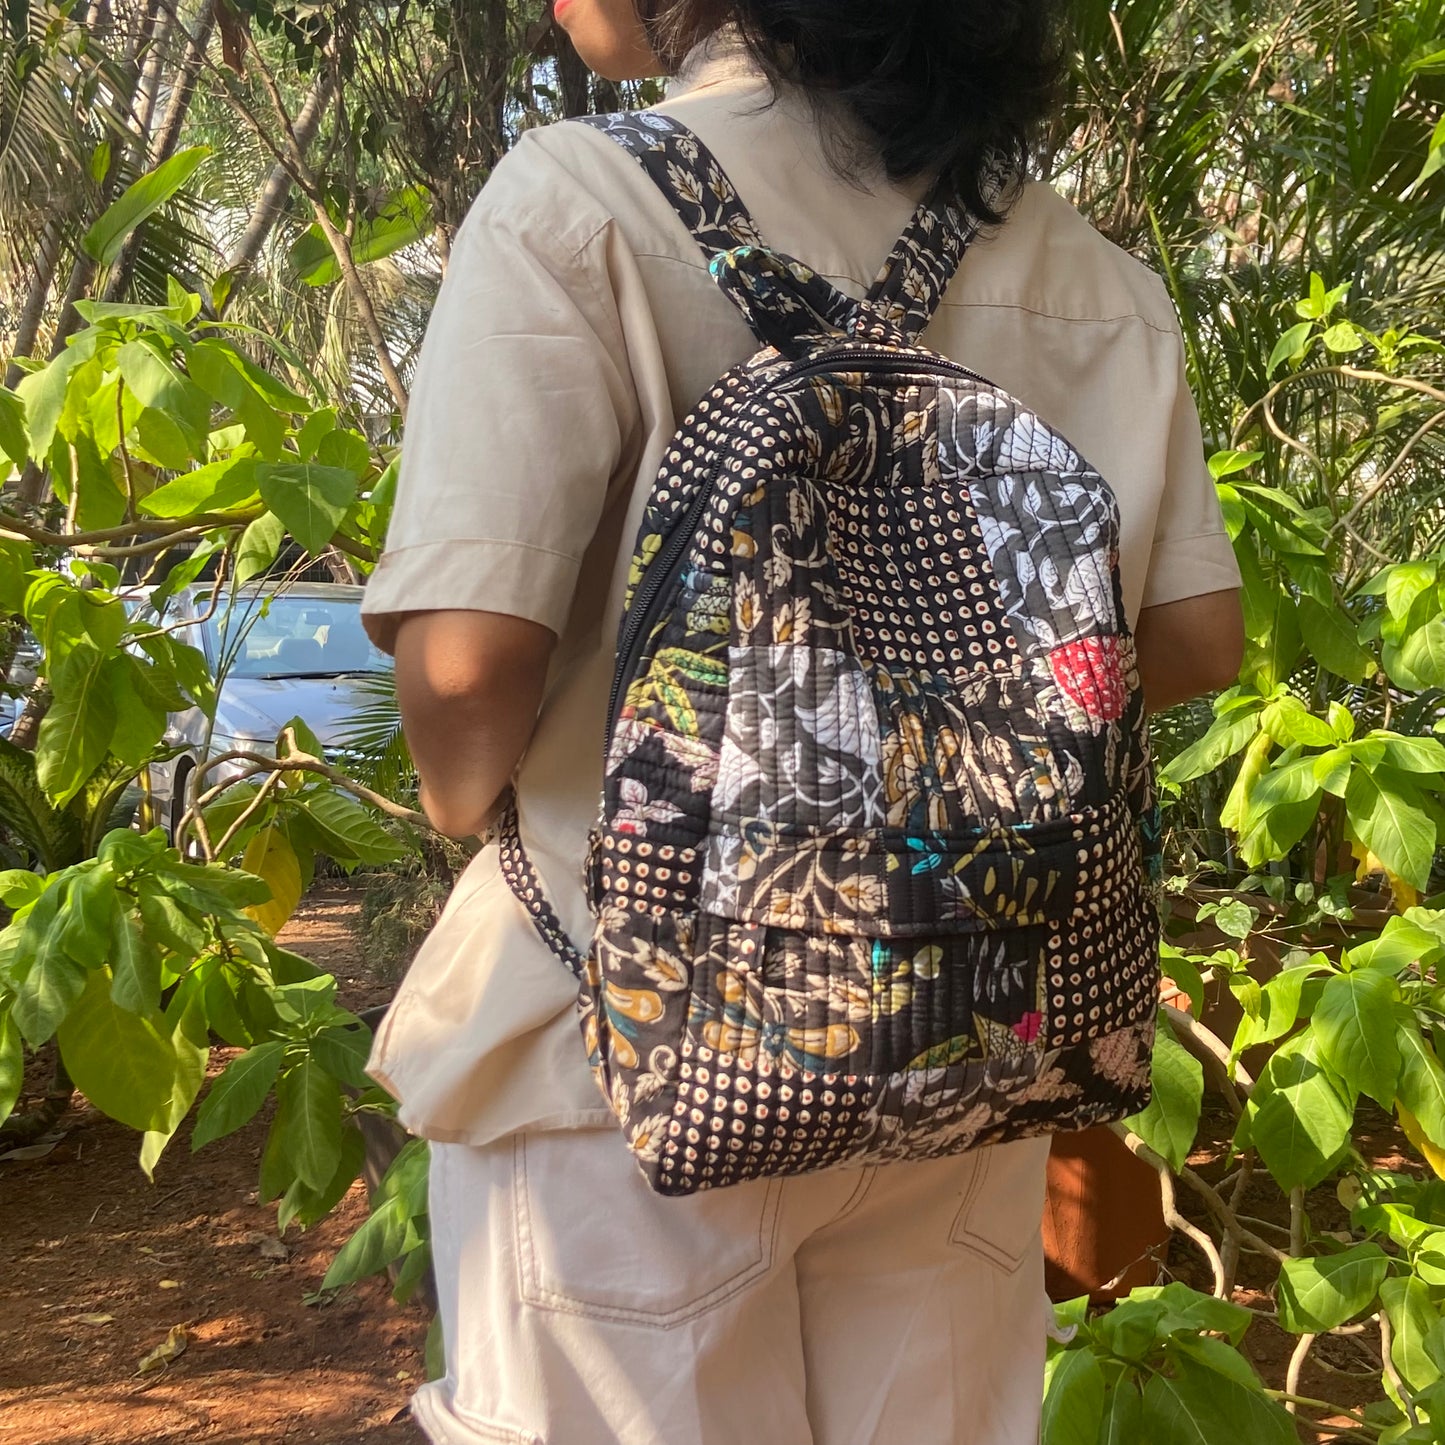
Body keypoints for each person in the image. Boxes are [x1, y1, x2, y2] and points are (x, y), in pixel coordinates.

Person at [359, 3, 1246, 1441]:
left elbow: (465, 681)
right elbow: (1195, 640)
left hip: (624, 1054)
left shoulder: (577, 199)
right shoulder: (1084, 269)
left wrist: (470, 794)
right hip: (966, 1045)